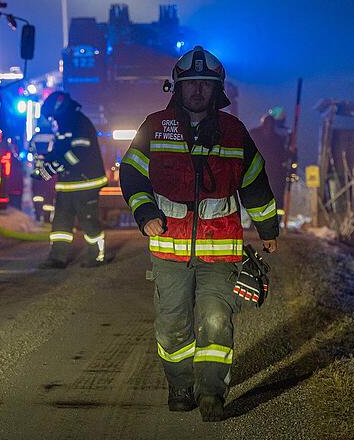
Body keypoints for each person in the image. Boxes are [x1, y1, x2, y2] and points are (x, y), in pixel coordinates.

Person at [119, 46, 280, 422]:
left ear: (216, 90)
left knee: (216, 323)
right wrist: (144, 212)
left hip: (220, 253)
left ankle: (211, 394)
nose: (197, 92)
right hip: (169, 251)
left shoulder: (234, 132)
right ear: (178, 87)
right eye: (191, 85)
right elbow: (131, 172)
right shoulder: (155, 126)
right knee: (173, 327)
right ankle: (180, 386)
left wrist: (267, 228)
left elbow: (255, 182)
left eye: (204, 86)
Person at [35, 91, 108, 268]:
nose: (53, 120)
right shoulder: (65, 123)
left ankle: (96, 256)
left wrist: (53, 167)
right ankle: (57, 258)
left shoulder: (79, 122)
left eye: (53, 116)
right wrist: (45, 164)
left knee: (88, 221)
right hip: (67, 184)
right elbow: (60, 150)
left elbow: (78, 153)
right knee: (60, 222)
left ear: (59, 108)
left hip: (85, 182)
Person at [249, 107, 294, 215]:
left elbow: (282, 155)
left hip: (272, 173)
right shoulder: (256, 135)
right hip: (263, 172)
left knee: (273, 196)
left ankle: (273, 218)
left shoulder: (277, 138)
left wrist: (291, 153)